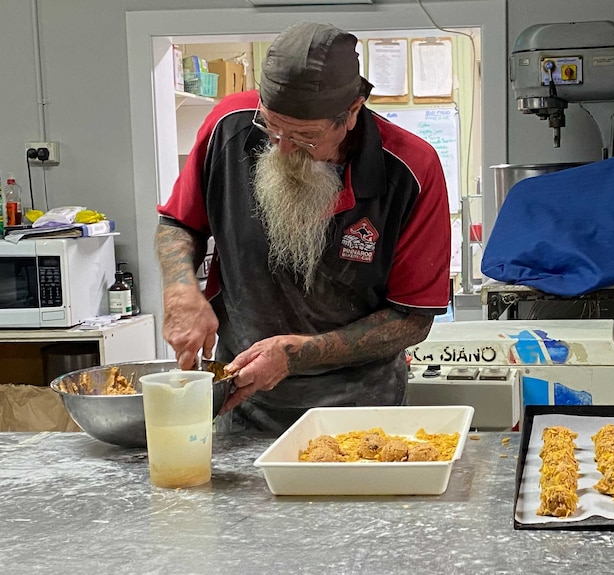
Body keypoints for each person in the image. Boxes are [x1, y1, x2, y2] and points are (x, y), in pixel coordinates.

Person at [156, 22, 451, 432]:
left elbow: (412, 319)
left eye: (305, 136)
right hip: (238, 399)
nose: (283, 146)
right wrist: (180, 292)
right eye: (272, 125)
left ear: (351, 113)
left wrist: (298, 353)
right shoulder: (230, 124)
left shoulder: (411, 169)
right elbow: (177, 223)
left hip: (360, 412)